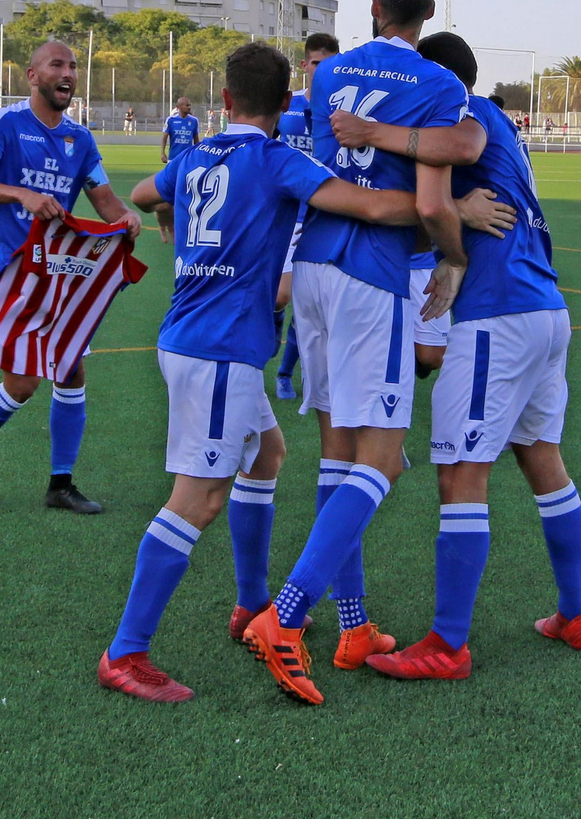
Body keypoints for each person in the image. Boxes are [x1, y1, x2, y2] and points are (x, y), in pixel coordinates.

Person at [99, 42, 427, 703]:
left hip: (186, 337)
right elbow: (363, 207)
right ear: (286, 104)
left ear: (223, 101)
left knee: (268, 456)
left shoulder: (195, 155)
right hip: (221, 350)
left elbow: (138, 192)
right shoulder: (279, 159)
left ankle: (251, 606)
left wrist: (171, 211)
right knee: (199, 499)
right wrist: (442, 210)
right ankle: (126, 652)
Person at [242, 0, 476, 704]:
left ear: (371, 4)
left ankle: (352, 624)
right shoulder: (439, 84)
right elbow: (436, 203)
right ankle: (285, 617)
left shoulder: (328, 74)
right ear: (429, 10)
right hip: (372, 279)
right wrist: (450, 255)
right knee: (382, 461)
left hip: (311, 264)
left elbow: (319, 170)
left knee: (339, 457)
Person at [346, 32, 581, 682]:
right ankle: (575, 613)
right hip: (545, 309)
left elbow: (455, 147)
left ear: (435, 81)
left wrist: (370, 129)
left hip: (498, 317)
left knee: (459, 472)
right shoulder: (499, 119)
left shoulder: (466, 114)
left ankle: (448, 644)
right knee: (542, 459)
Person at [0, 40, 141, 514]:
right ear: (32, 75)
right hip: (11, 269)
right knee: (22, 384)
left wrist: (126, 218)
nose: (69, 73)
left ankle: (61, 484)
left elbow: (104, 199)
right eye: (57, 64)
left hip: (60, 271)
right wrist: (22, 194)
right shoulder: (8, 123)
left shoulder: (80, 139)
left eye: (74, 66)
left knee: (71, 368)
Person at [274, 31, 340, 402]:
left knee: (312, 303)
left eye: (330, 63)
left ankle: (286, 374)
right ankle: (275, 321)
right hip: (283, 213)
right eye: (317, 63)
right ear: (304, 65)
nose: (323, 70)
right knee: (282, 296)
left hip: (320, 217)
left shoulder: (341, 110)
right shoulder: (289, 106)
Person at [157, 97, 201, 243]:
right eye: (187, 105)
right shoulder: (171, 120)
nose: (189, 106)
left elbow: (196, 140)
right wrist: (163, 153)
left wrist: (198, 156)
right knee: (171, 193)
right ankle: (168, 222)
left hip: (188, 161)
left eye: (190, 104)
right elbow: (164, 137)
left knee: (187, 191)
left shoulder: (193, 121)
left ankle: (183, 224)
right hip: (173, 161)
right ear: (179, 106)